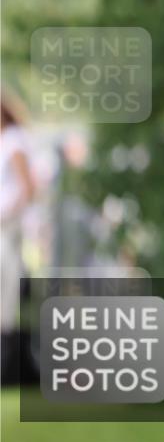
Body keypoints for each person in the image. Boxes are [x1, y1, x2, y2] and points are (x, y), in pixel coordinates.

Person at [1, 88, 37, 384]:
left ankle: (10, 364)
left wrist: (6, 216)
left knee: (8, 296)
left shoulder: (13, 140)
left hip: (7, 230)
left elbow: (27, 188)